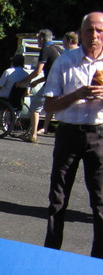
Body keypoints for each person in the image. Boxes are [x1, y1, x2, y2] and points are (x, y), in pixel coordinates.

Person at [42, 12, 103, 257]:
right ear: (81, 32)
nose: (94, 36)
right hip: (68, 135)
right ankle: (51, 257)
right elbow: (49, 106)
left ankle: (98, 264)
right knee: (57, 200)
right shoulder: (65, 61)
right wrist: (77, 95)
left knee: (100, 204)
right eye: (89, 30)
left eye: (99, 30)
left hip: (99, 136)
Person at [16, 29, 63, 142]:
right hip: (61, 83)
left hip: (52, 84)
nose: (37, 41)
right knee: (55, 107)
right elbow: (52, 70)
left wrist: (23, 81)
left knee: (35, 107)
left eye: (38, 39)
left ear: (42, 38)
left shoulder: (45, 50)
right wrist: (37, 82)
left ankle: (33, 135)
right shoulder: (58, 49)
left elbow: (38, 71)